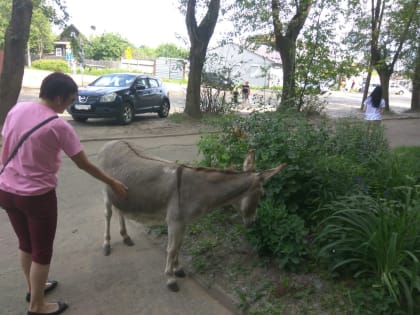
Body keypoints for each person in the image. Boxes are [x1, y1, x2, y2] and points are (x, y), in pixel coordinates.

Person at [0, 72, 128, 315]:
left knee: (25, 245)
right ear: (59, 98)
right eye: (70, 101)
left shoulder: (16, 110)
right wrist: (112, 181)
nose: (69, 106)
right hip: (37, 197)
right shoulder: (59, 126)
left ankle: (34, 288)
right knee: (41, 251)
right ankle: (37, 305)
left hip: (5, 190)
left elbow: (5, 146)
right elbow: (84, 164)